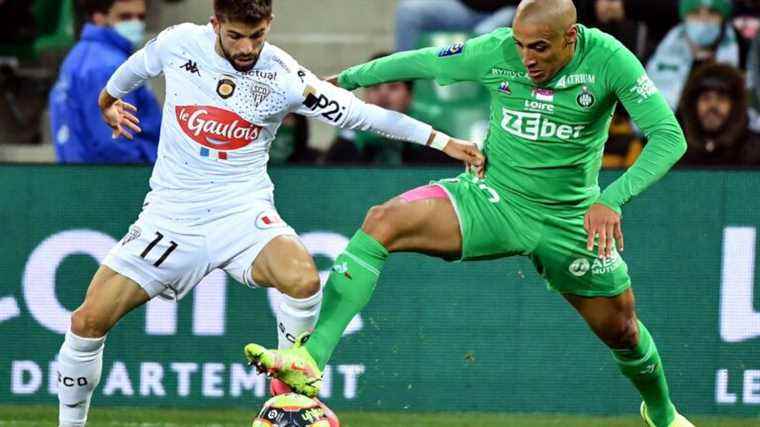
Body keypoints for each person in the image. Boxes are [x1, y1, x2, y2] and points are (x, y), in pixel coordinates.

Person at [244, 1, 696, 426]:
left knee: (623, 332)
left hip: (570, 220)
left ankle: (662, 414)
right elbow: (421, 61)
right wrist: (346, 80)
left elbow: (669, 137)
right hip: (493, 199)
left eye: (539, 47)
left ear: (571, 38)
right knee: (382, 221)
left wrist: (610, 199)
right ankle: (311, 359)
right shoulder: (496, 51)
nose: (526, 58)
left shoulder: (609, 60)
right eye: (519, 45)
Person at [54, 0, 484, 425]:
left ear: (269, 25)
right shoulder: (180, 44)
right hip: (171, 216)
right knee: (87, 321)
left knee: (302, 278)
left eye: (256, 36)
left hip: (242, 213)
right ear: (216, 23)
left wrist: (442, 142)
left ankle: (288, 394)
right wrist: (107, 100)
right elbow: (136, 68)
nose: (246, 47)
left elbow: (362, 114)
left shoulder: (283, 77)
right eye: (235, 35)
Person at [49, 0, 162, 164]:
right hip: (118, 178)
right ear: (99, 17)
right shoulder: (108, 66)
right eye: (125, 17)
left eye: (141, 17)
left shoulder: (78, 56)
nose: (135, 23)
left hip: (80, 175)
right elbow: (115, 140)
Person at [647, 0, 738, 110]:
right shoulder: (659, 57)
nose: (704, 19)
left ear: (722, 20)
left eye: (712, 12)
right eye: (695, 12)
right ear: (685, 18)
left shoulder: (741, 59)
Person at [677, 62, 760, 166]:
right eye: (705, 98)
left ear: (735, 106)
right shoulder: (676, 151)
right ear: (692, 105)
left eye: (721, 99)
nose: (712, 106)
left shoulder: (754, 152)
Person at [395, 0, 518, 52]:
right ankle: (404, 81)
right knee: (409, 11)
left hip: (507, 10)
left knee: (481, 36)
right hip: (465, 8)